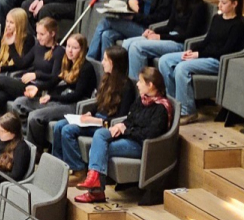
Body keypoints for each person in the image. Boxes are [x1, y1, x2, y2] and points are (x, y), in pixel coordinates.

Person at [74, 67, 172, 202]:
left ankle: (95, 191)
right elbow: (130, 119)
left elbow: (149, 134)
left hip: (142, 146)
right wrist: (121, 125)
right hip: (130, 137)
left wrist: (125, 130)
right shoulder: (142, 100)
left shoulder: (160, 108)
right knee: (100, 133)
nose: (137, 84)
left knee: (98, 150)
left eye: (140, 81)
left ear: (150, 85)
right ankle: (94, 181)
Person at [159, 0, 244, 125]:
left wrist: (198, 54)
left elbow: (225, 51)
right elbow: (207, 40)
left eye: (223, 3)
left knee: (182, 68)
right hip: (204, 55)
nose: (219, 5)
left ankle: (188, 111)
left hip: (217, 61)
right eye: (219, 1)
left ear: (234, 4)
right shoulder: (217, 18)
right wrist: (192, 50)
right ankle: (173, 103)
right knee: (165, 60)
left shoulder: (237, 25)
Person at [53, 45, 135, 185]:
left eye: (105, 60)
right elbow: (98, 102)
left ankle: (78, 170)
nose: (102, 62)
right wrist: (89, 113)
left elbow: (121, 117)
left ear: (113, 63)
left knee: (68, 130)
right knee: (59, 125)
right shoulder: (107, 78)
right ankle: (59, 165)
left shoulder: (127, 86)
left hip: (105, 124)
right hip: (96, 118)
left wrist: (96, 121)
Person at [124, 0, 207, 80]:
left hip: (179, 43)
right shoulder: (178, 1)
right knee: (127, 43)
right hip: (170, 36)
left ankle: (139, 83)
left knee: (137, 47)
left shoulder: (198, 7)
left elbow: (187, 35)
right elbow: (169, 26)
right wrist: (154, 31)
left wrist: (160, 37)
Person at [21, 33, 95, 148]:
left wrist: (52, 97)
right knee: (21, 103)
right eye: (68, 46)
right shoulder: (67, 62)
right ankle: (26, 141)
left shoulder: (86, 68)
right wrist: (38, 88)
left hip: (74, 105)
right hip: (62, 98)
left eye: (74, 48)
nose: (70, 51)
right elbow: (54, 80)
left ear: (82, 50)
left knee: (34, 116)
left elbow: (77, 95)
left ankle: (35, 150)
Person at [0, 16, 63, 120]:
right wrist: (11, 46)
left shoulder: (59, 52)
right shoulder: (38, 47)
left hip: (40, 88)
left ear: (52, 34)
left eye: (42, 34)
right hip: (28, 84)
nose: (38, 37)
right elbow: (22, 64)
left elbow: (55, 78)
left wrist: (36, 75)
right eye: (37, 33)